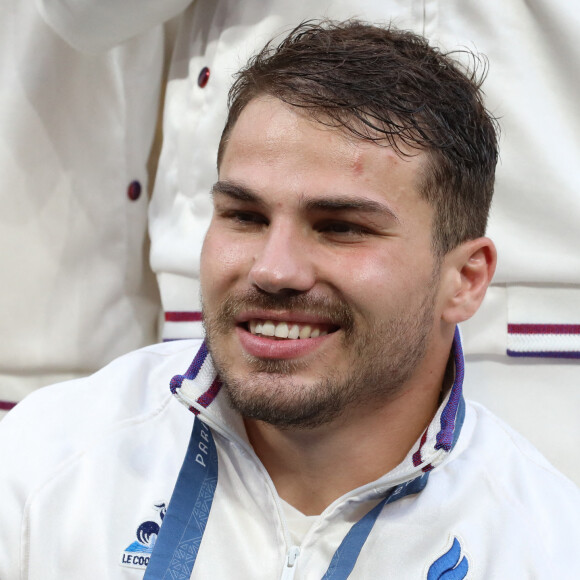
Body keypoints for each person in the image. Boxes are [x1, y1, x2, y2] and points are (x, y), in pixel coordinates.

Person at [1, 20, 578, 579]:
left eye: (342, 227)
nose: (273, 270)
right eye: (244, 216)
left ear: (466, 279)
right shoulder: (45, 463)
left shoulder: (546, 545)